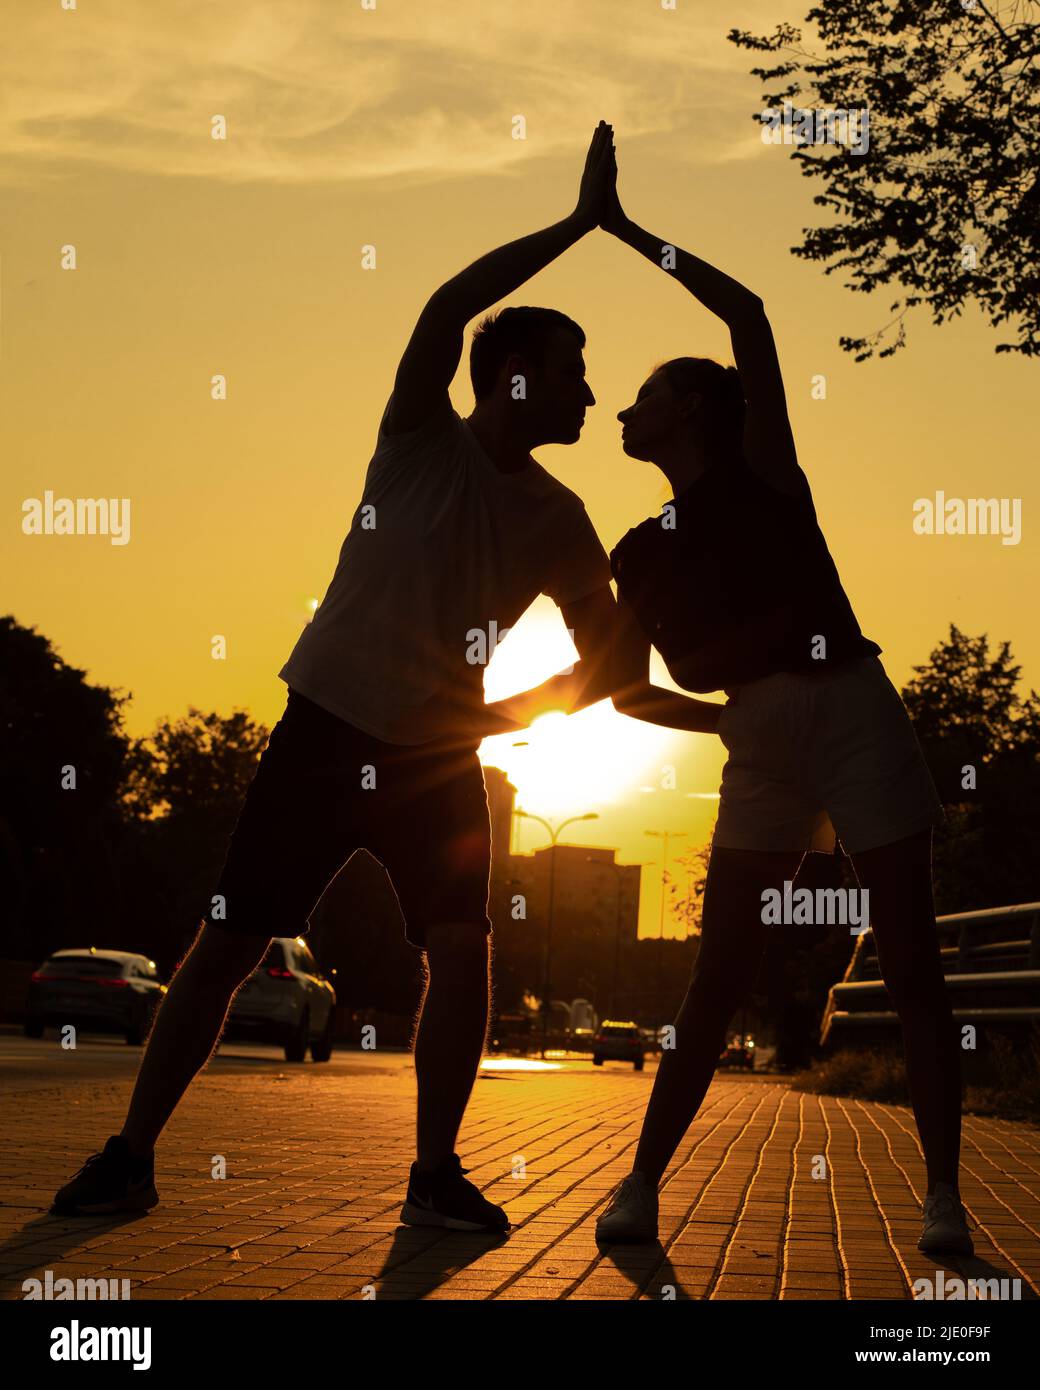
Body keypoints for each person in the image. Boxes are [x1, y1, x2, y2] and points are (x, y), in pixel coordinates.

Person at [52, 123, 622, 1234]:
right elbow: (449, 303)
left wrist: (499, 720)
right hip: (321, 731)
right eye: (572, 374)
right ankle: (129, 1154)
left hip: (434, 761)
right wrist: (575, 224)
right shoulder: (418, 437)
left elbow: (608, 658)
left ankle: (432, 1176)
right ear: (513, 380)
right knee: (227, 941)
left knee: (460, 949)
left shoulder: (561, 519)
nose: (588, 396)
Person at [593, 151, 973, 1257]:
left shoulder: (764, 472)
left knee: (909, 959)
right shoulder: (636, 549)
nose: (624, 406)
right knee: (720, 971)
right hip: (759, 732)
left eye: (646, 394)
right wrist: (727, 723)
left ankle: (941, 1198)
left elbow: (748, 309)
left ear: (700, 409)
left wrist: (623, 227)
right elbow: (620, 692)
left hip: (852, 707)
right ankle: (637, 1189)